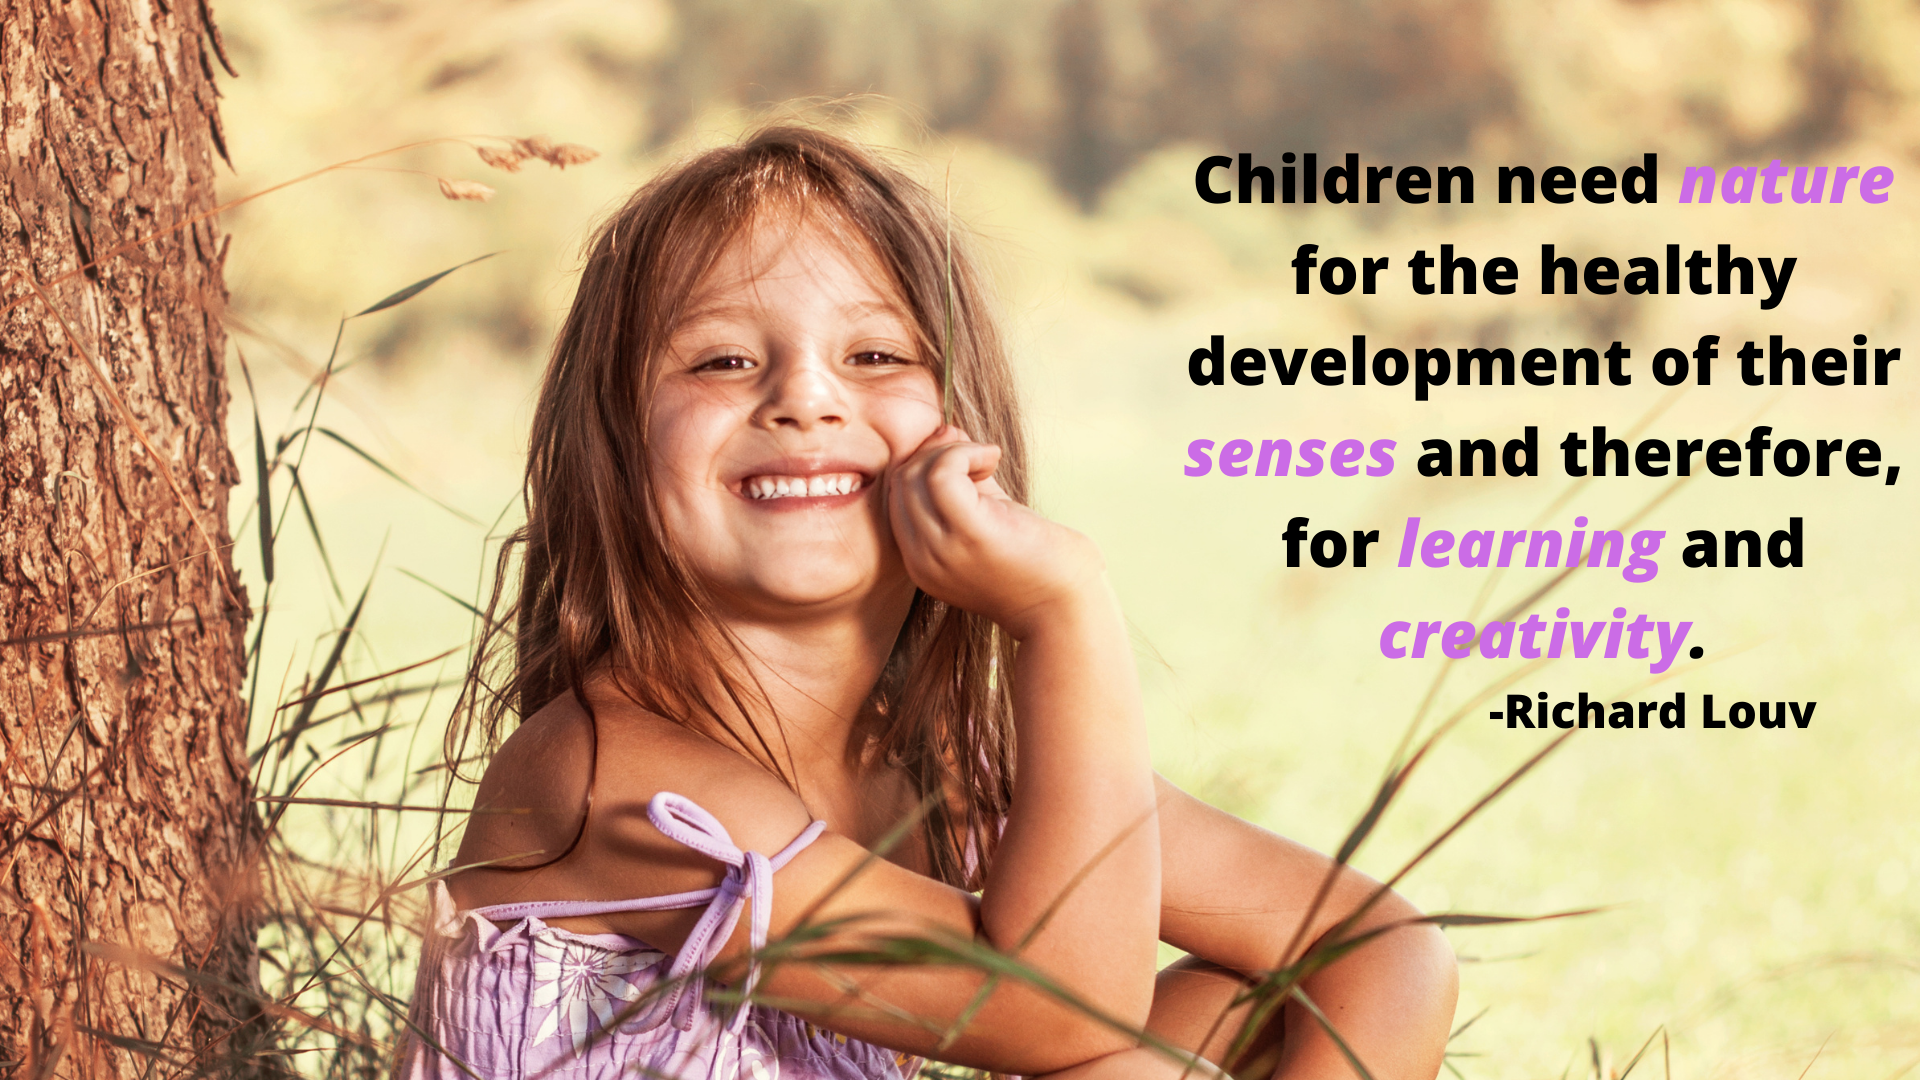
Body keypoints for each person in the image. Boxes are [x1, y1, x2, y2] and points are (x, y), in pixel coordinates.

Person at [404, 124, 1457, 1080]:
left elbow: (1381, 952)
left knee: (1253, 1006)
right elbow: (1061, 1014)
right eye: (723, 359)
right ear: (612, 447)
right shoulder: (611, 776)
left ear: (965, 426)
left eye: (875, 356)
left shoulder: (951, 771)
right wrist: (1061, 608)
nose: (807, 397)